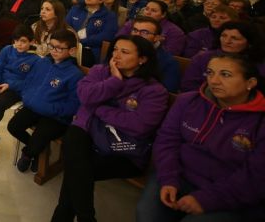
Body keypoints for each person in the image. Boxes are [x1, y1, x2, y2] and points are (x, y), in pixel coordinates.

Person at [52, 35, 170, 222]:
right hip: (89, 133)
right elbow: (84, 95)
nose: (116, 55)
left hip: (123, 149)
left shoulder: (153, 90)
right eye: (115, 49)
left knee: (77, 170)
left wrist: (98, 108)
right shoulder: (101, 71)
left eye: (124, 52)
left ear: (142, 59)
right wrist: (114, 81)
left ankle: (66, 217)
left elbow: (138, 126)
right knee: (74, 142)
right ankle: (85, 217)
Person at [137, 54, 265, 222]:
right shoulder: (188, 101)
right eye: (210, 73)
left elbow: (255, 177)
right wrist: (169, 178)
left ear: (250, 83)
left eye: (225, 74)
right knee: (147, 215)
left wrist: (207, 199)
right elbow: (167, 140)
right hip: (179, 176)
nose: (214, 81)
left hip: (230, 193)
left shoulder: (259, 121)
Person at [7, 29, 83, 171]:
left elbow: (74, 105)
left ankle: (28, 154)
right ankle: (38, 151)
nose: (54, 51)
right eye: (51, 46)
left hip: (56, 116)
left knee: (40, 134)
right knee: (13, 126)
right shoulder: (42, 63)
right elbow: (28, 82)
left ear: (72, 50)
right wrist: (27, 97)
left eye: (59, 48)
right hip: (34, 106)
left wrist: (52, 109)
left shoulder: (75, 74)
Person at [0, 25, 40, 159]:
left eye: (23, 41)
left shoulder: (35, 60)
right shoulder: (7, 50)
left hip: (16, 88)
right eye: (16, 41)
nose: (18, 44)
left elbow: (29, 82)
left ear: (31, 42)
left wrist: (10, 85)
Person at [180, 21, 265, 92]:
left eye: (235, 38)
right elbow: (188, 86)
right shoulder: (202, 58)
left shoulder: (258, 62)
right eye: (223, 36)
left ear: (249, 43)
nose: (227, 41)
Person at [66, 0, 118, 67]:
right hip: (70, 44)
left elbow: (107, 35)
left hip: (90, 49)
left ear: (101, 0)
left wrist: (82, 41)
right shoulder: (75, 9)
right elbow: (66, 26)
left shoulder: (109, 15)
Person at [129, 16, 182, 92]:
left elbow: (168, 91)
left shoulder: (169, 63)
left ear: (156, 38)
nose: (137, 35)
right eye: (135, 30)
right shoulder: (121, 51)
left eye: (144, 32)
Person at [118, 0, 186, 56]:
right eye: (147, 9)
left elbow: (170, 54)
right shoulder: (131, 23)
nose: (148, 13)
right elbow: (118, 40)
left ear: (163, 14)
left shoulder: (175, 32)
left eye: (153, 11)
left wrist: (157, 44)